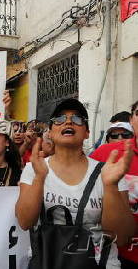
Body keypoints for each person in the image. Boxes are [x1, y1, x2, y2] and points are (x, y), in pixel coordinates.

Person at [15, 98, 135, 269]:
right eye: (60, 119)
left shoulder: (109, 172)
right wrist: (39, 178)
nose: (69, 121)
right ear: (50, 130)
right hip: (46, 261)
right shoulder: (34, 168)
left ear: (87, 132)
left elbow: (122, 237)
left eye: (78, 119)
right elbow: (25, 222)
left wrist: (110, 186)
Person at [90, 100, 138, 269]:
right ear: (131, 120)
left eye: (123, 134)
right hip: (118, 256)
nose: (119, 138)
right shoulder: (106, 153)